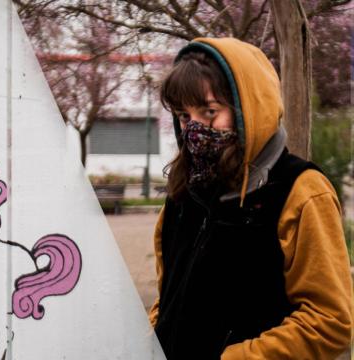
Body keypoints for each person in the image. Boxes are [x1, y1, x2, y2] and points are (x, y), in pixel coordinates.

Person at [148, 37, 352, 359]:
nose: (195, 130)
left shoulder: (301, 192)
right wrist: (149, 338)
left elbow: (330, 321)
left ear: (248, 109)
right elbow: (169, 295)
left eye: (210, 111)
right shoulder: (183, 193)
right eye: (185, 117)